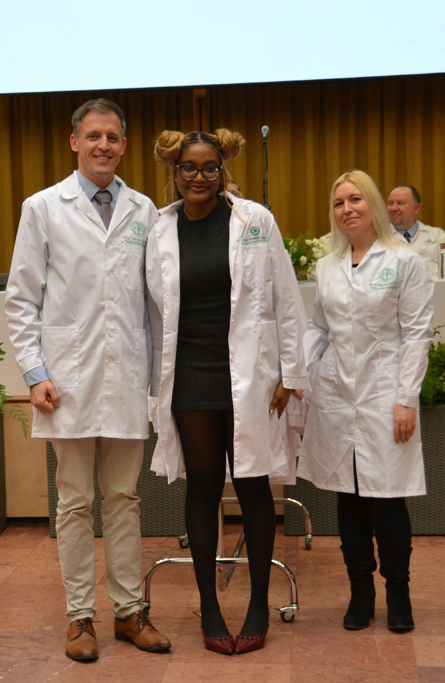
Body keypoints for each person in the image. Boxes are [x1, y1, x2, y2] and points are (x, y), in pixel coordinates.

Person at [4, 98, 171, 662]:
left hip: (126, 376)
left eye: (113, 137)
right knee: (74, 501)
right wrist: (35, 374)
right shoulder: (43, 207)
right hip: (66, 380)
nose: (104, 145)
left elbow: (155, 303)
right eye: (94, 135)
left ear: (124, 145)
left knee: (124, 497)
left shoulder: (145, 210)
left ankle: (128, 612)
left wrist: (158, 380)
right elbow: (22, 298)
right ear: (75, 141)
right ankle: (80, 618)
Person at [148, 129, 307, 655]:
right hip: (189, 375)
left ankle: (258, 604)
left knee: (255, 486)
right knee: (202, 486)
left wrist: (290, 373)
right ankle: (210, 607)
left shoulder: (254, 220)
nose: (199, 176)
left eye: (209, 167)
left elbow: (286, 296)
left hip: (250, 374)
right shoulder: (159, 228)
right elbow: (150, 311)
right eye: (189, 167)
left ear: (222, 170)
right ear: (174, 171)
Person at [299, 170, 433, 633]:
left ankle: (398, 591)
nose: (347, 209)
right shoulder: (328, 266)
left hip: (384, 395)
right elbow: (319, 327)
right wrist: (298, 372)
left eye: (355, 199)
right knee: (349, 498)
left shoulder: (404, 262)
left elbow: (417, 335)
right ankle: (360, 591)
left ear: (372, 204)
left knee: (387, 500)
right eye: (339, 203)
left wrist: (406, 399)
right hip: (337, 395)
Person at [387, 185, 445, 278]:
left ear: (416, 208)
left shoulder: (438, 235)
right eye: (390, 203)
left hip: (434, 287)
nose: (393, 208)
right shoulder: (378, 237)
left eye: (400, 203)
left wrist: (420, 271)